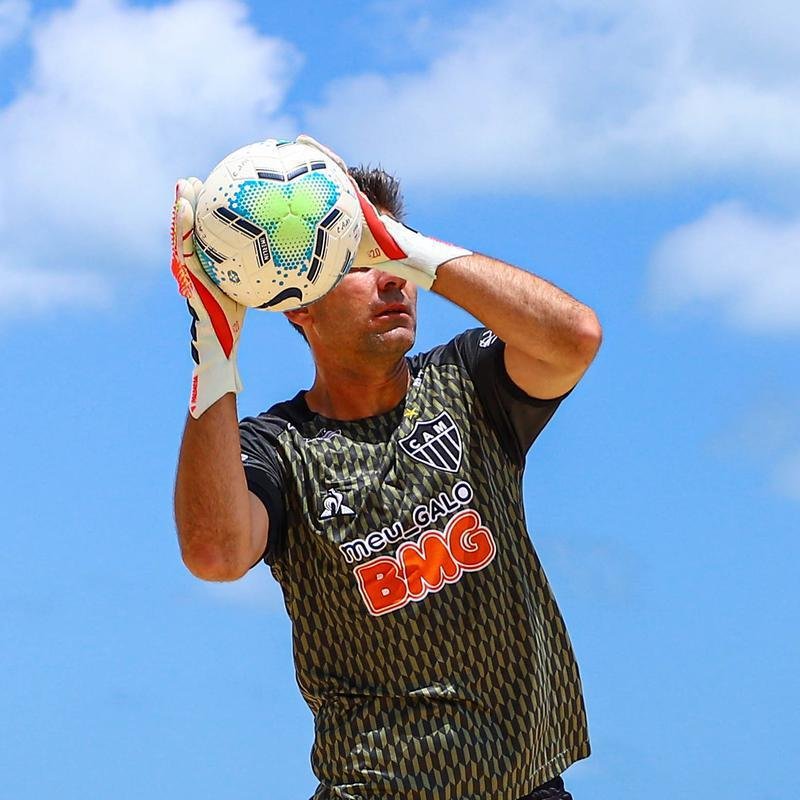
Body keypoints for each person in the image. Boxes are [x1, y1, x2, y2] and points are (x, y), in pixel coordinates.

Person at [171, 136, 602, 800]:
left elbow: (574, 340)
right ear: (300, 303)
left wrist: (400, 243)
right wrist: (214, 349)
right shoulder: (278, 447)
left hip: (531, 786)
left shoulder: (467, 382)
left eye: (391, 254)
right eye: (360, 260)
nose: (392, 276)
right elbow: (216, 553)